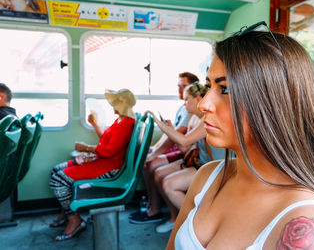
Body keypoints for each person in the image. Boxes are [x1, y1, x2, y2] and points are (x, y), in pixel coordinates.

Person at [168, 23, 314, 249]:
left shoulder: (307, 229)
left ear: (274, 103)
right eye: (209, 86)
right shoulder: (208, 177)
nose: (203, 104)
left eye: (226, 89)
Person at [131, 83, 224, 233]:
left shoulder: (207, 119)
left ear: (198, 99)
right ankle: (175, 219)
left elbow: (184, 141)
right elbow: (184, 147)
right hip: (199, 163)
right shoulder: (194, 119)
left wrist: (160, 123)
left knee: (169, 184)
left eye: (187, 99)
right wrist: (170, 130)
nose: (184, 103)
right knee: (159, 174)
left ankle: (200, 225)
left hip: (212, 168)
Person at [49, 88, 136, 241]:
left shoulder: (127, 124)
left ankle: (74, 220)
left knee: (58, 181)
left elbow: (108, 152)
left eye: (115, 103)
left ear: (124, 103)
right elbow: (107, 141)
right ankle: (67, 211)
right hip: (104, 160)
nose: (112, 106)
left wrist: (85, 147)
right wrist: (95, 125)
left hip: (111, 167)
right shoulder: (120, 120)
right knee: (56, 170)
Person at [128, 72, 199, 223]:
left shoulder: (192, 112)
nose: (180, 91)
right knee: (150, 164)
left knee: (152, 164)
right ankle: (152, 206)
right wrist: (154, 148)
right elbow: (170, 134)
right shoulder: (183, 108)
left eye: (184, 87)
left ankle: (157, 210)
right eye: (179, 87)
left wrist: (154, 155)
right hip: (183, 149)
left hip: (183, 151)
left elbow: (178, 137)